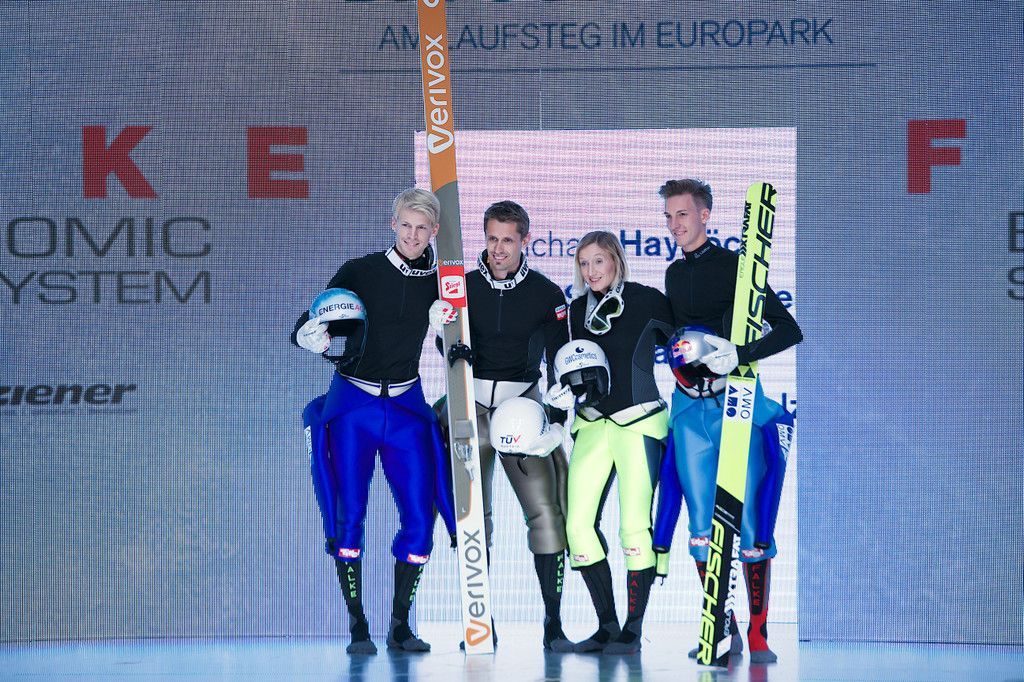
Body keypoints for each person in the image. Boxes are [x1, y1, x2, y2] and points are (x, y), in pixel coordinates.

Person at [292, 188, 457, 655]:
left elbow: (457, 344)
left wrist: (448, 333)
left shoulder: (442, 282)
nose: (412, 235)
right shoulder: (360, 271)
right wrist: (310, 336)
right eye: (405, 225)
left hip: (407, 407)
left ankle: (400, 626)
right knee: (348, 517)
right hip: (354, 406)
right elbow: (308, 323)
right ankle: (357, 625)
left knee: (420, 521)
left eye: (422, 228)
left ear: (434, 231)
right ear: (392, 224)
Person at [653, 178, 803, 664]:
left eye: (682, 214)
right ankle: (721, 630)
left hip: (736, 402)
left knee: (753, 524)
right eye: (669, 216)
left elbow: (789, 330)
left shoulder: (739, 267)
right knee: (701, 526)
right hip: (689, 410)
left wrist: (740, 353)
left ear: (705, 215)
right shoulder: (673, 274)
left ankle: (759, 635)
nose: (675, 224)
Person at [432, 200, 573, 652]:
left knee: (545, 512)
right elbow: (445, 340)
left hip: (521, 409)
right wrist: (444, 341)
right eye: (492, 238)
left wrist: (556, 416)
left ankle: (554, 624)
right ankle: (479, 622)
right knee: (474, 517)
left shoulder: (547, 293)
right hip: (469, 406)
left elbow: (561, 360)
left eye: (507, 240)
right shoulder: (462, 285)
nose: (498, 249)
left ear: (525, 241)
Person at [544, 230, 674, 655]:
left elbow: (684, 343)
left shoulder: (647, 300)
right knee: (577, 527)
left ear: (616, 260)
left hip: (640, 423)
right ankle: (607, 626)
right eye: (583, 263)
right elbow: (556, 366)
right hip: (591, 425)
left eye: (598, 261)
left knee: (634, 526)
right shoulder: (572, 312)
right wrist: (557, 399)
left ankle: (633, 629)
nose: (591, 271)